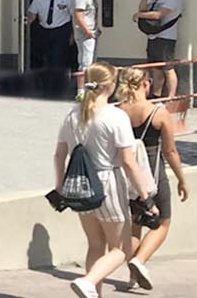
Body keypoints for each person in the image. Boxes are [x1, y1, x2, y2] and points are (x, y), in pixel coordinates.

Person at [53, 62, 159, 298]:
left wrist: (60, 188)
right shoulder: (115, 116)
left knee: (95, 245)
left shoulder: (72, 114)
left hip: (79, 185)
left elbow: (59, 155)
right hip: (108, 182)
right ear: (110, 85)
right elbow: (129, 162)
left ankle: (92, 291)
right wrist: (146, 198)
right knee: (121, 248)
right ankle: (88, 282)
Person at [114, 66, 189, 290]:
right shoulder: (158, 113)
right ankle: (139, 261)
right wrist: (181, 178)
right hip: (153, 176)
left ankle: (132, 277)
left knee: (135, 225)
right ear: (146, 84)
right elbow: (170, 151)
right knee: (162, 223)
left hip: (127, 177)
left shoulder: (118, 112)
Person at [133, 0, 184, 99]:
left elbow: (159, 15)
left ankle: (171, 96)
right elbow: (143, 9)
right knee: (156, 68)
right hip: (153, 37)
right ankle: (156, 95)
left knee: (167, 68)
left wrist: (139, 15)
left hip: (166, 38)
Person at [27, 0, 75, 76]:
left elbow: (74, 17)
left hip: (61, 30)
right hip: (44, 30)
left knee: (58, 57)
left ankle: (58, 79)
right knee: (44, 56)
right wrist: (25, 25)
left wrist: (73, 34)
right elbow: (32, 14)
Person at [72, 0, 103, 70]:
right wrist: (87, 31)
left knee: (92, 61)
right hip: (84, 33)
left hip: (92, 32)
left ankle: (89, 79)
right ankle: (83, 80)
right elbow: (78, 15)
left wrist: (96, 28)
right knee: (86, 61)